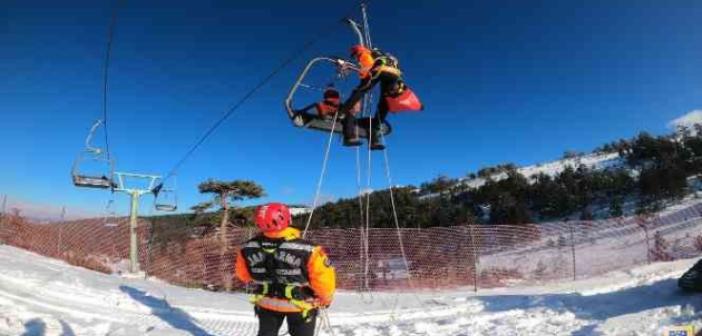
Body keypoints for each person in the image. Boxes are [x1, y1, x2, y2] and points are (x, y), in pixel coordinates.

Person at [235, 203, 336, 336]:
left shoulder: (246, 248)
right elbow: (323, 280)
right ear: (286, 219)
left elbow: (243, 276)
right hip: (301, 306)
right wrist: (325, 299)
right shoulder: (309, 249)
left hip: (266, 304)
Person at [340, 44, 412, 150]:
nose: (356, 57)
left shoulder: (364, 54)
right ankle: (374, 140)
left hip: (380, 70)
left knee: (361, 90)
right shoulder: (385, 56)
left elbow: (368, 67)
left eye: (355, 55)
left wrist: (361, 75)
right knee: (384, 103)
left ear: (357, 51)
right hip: (394, 76)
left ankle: (342, 112)